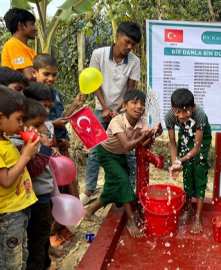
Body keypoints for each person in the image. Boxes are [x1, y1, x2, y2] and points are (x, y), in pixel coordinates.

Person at [84, 90, 160, 238]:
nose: (139, 106)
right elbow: (127, 145)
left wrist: (153, 136)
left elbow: (144, 144)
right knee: (124, 181)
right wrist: (143, 137)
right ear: (124, 106)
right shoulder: (117, 121)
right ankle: (131, 221)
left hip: (120, 156)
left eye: (143, 104)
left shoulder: (143, 122)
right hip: (106, 154)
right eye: (134, 103)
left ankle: (89, 212)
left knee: (114, 187)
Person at [82, 21, 142, 206]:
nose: (129, 47)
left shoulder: (134, 61)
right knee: (94, 150)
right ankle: (89, 190)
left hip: (123, 113)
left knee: (128, 150)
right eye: (127, 41)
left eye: (133, 44)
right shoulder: (98, 55)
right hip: (100, 110)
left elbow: (130, 89)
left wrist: (117, 110)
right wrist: (105, 108)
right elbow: (94, 84)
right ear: (117, 37)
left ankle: (130, 189)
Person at [30, 54, 85, 248]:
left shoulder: (56, 94)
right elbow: (37, 123)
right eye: (46, 74)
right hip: (46, 150)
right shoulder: (31, 96)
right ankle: (52, 232)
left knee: (65, 188)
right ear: (34, 73)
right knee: (52, 191)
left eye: (54, 74)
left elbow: (62, 118)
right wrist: (52, 127)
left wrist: (75, 105)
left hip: (59, 147)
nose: (51, 79)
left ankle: (61, 227)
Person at [0, 86, 39, 269]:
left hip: (17, 211)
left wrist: (28, 146)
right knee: (10, 263)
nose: (21, 124)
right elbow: (6, 181)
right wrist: (25, 156)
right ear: (0, 117)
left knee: (19, 256)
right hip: (6, 216)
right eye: (18, 119)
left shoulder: (4, 139)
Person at [10, 99, 56, 270]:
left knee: (43, 235)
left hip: (42, 195)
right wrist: (44, 148)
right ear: (21, 123)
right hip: (36, 198)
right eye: (37, 125)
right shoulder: (22, 145)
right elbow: (35, 170)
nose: (42, 129)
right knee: (38, 236)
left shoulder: (28, 140)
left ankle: (46, 263)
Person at [165, 88, 212, 233]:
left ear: (193, 107)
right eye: (177, 111)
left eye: (186, 111)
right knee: (187, 172)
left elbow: (197, 148)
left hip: (200, 139)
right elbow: (173, 143)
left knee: (198, 170)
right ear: (173, 109)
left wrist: (181, 160)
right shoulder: (170, 117)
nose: (181, 115)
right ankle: (189, 210)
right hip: (186, 135)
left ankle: (198, 217)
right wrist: (175, 163)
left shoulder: (200, 115)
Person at [2, 8, 38, 81]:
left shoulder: (23, 46)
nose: (36, 28)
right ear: (21, 25)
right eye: (32, 24)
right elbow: (30, 76)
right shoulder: (14, 45)